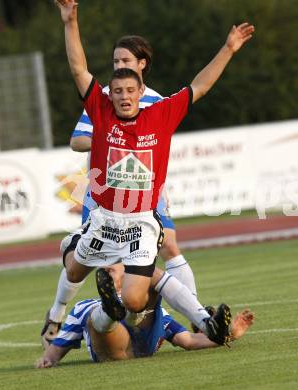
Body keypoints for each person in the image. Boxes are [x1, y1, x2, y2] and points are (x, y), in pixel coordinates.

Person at [47, 0, 254, 345]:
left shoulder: (160, 114)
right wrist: (70, 22)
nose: (124, 97)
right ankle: (58, 312)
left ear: (141, 92)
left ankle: (200, 322)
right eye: (117, 92)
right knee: (72, 267)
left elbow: (199, 86)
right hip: (104, 219)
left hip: (141, 224)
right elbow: (78, 69)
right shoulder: (100, 112)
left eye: (130, 91)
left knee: (133, 299)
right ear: (107, 96)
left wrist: (228, 48)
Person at [44, 34, 198, 342]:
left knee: (169, 244)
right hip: (105, 193)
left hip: (146, 195)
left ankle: (194, 316)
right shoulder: (104, 98)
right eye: (115, 61)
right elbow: (77, 139)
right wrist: (110, 138)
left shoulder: (157, 100)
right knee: (96, 266)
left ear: (142, 65)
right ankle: (62, 313)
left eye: (125, 61)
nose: (119, 65)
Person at [36, 264, 254, 367]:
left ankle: (127, 312)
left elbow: (188, 340)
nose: (106, 272)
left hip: (143, 337)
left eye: (111, 269)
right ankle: (109, 311)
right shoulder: (83, 308)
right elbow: (53, 354)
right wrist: (46, 360)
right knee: (96, 318)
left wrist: (229, 333)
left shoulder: (160, 314)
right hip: (114, 348)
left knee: (149, 276)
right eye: (103, 271)